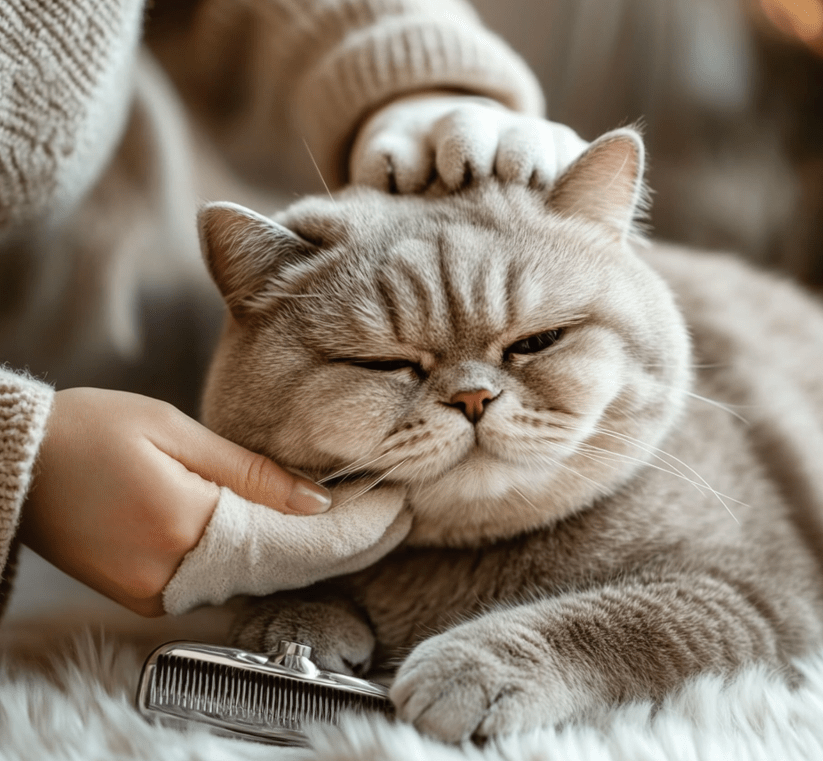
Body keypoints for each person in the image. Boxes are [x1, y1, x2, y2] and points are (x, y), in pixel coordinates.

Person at [0, 0, 585, 619]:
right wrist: (16, 459)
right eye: (389, 361)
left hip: (127, 299)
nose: (474, 398)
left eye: (538, 340)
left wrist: (407, 67)